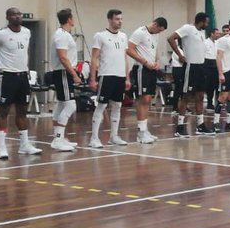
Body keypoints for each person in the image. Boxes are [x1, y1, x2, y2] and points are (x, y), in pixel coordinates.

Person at [0, 7, 42, 159]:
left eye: (19, 14)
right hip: (6, 76)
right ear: (7, 17)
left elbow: (23, 53)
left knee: (22, 111)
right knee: (4, 111)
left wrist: (26, 68)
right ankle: (2, 147)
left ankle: (24, 145)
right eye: (13, 14)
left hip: (22, 76)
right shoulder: (0, 33)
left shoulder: (27, 32)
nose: (17, 16)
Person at [88, 9, 131, 148]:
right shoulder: (100, 36)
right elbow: (94, 59)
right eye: (117, 19)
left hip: (120, 76)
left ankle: (114, 136)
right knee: (101, 105)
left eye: (121, 19)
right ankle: (94, 138)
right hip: (106, 75)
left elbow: (125, 58)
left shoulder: (123, 36)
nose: (120, 21)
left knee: (117, 105)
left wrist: (127, 78)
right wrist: (92, 79)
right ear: (110, 20)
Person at [168, 12, 210, 137]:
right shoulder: (188, 28)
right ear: (201, 21)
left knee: (200, 96)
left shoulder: (201, 33)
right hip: (191, 67)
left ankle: (200, 125)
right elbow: (170, 38)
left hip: (201, 67)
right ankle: (180, 127)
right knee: (186, 96)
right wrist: (180, 55)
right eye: (206, 22)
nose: (207, 24)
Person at [127, 16, 168, 144]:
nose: (159, 32)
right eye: (159, 30)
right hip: (141, 68)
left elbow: (154, 50)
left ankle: (144, 130)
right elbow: (129, 49)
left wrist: (157, 61)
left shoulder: (155, 35)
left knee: (148, 99)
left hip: (151, 69)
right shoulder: (140, 32)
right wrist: (145, 62)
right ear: (155, 24)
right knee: (143, 99)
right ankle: (140, 132)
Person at [46, 9, 80, 151]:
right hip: (63, 73)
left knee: (60, 105)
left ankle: (58, 137)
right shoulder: (61, 35)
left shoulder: (65, 34)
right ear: (69, 19)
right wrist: (74, 74)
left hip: (64, 72)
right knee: (71, 106)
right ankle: (58, 139)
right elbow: (63, 57)